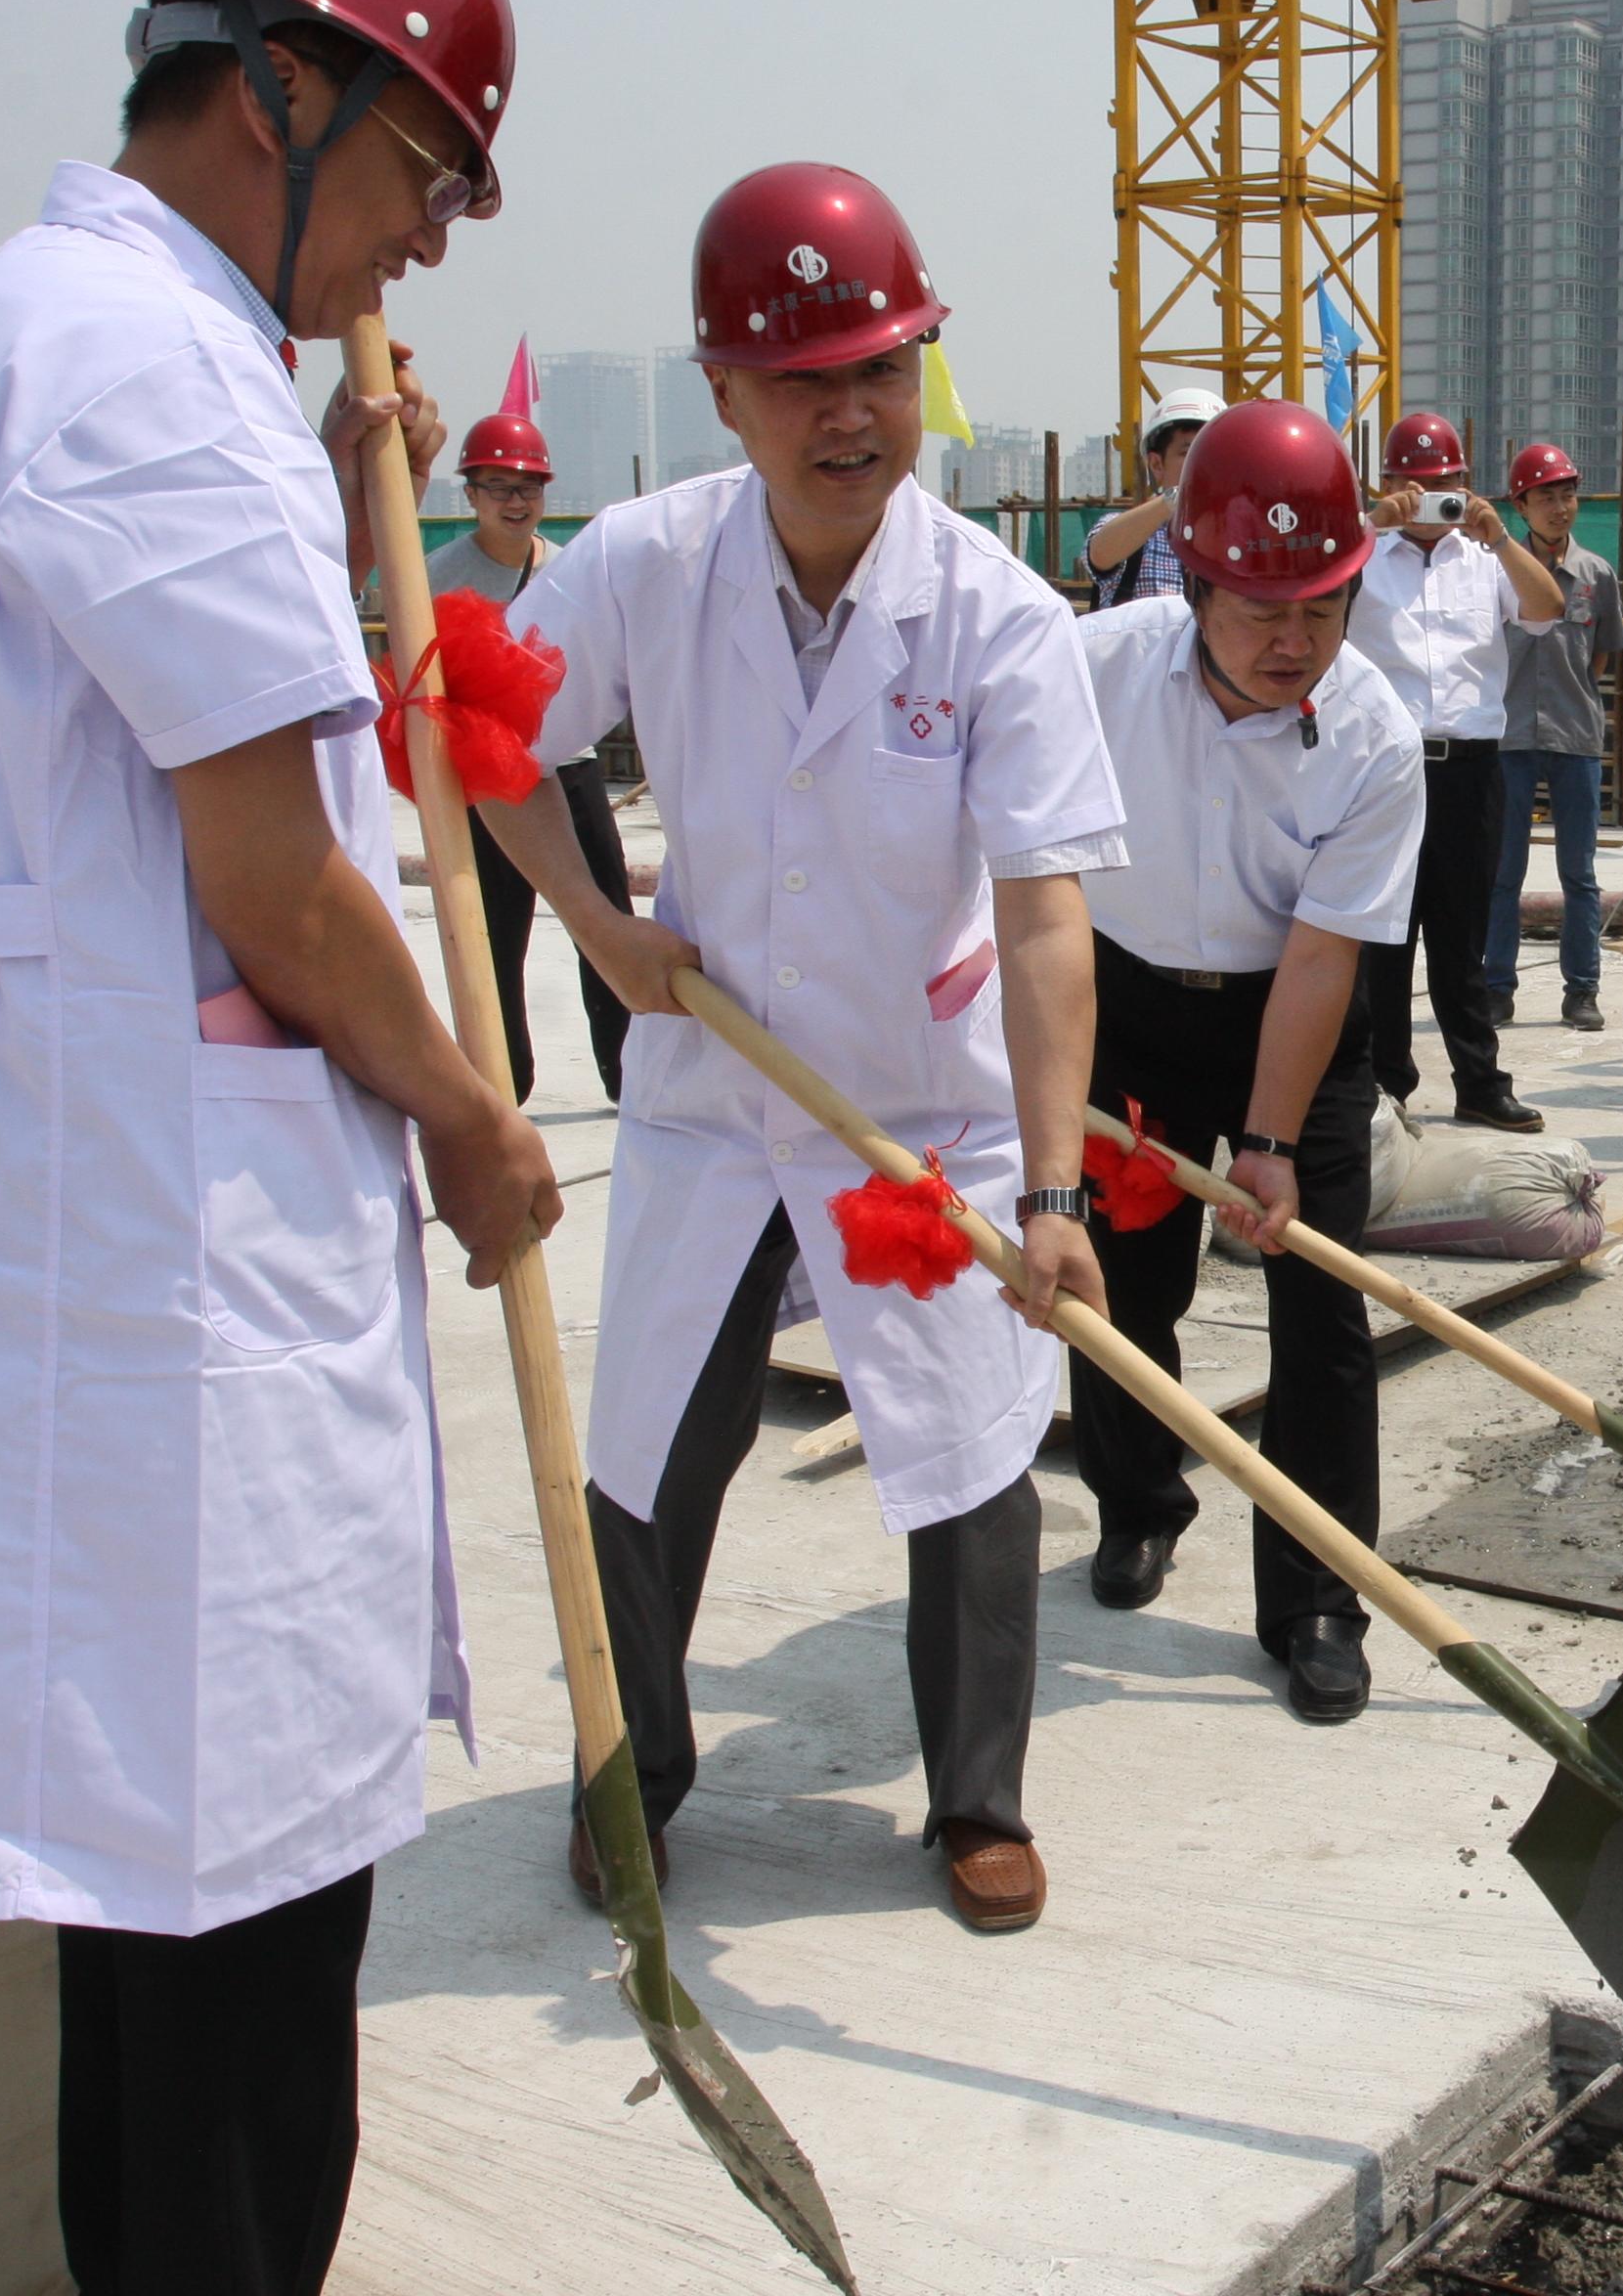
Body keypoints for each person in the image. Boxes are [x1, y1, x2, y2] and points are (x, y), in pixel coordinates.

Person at [0, 0, 550, 2293]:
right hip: (161, 1304)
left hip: (110, 1246)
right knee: (235, 2037)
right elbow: (273, 872)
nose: (425, 248)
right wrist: (474, 1116)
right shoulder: (145, 369)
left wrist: (356, 472)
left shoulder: (42, 335)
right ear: (279, 96)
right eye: (420, 178)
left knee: (162, 2019)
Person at [477, 164, 1122, 1938]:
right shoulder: (641, 563)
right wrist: (600, 928)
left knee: (970, 1450)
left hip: (912, 1112)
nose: (853, 415)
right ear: (726, 394)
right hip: (709, 1094)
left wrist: (1057, 1186)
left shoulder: (993, 613)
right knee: (646, 1453)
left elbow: (1047, 917)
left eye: (885, 371)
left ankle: (976, 1800)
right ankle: (637, 1773)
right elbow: (482, 738)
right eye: (806, 378)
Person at [1067, 400, 1424, 1722]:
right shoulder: (1092, 667)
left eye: (1323, 612)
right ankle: (1137, 1504)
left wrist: (1269, 1145)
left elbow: (1327, 958)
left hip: (1300, 1015)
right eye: (1263, 612)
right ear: (1194, 583)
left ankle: (1320, 1598)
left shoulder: (1376, 732)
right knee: (1119, 1285)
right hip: (1127, 1004)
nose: (1296, 645)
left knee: (1321, 1312)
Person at [411, 403, 635, 1103]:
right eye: (499, 487)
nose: (516, 501)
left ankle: (629, 1078)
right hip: (487, 786)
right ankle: (505, 1084)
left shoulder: (569, 572)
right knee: (497, 937)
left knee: (608, 924)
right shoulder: (436, 578)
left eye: (529, 487)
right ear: (470, 494)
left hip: (570, 770)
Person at [1346, 410, 1562, 1130]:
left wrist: (1500, 538)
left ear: (1467, 485)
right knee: (1384, 937)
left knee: (1460, 935)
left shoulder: (1486, 559)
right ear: (1390, 484)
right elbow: (1311, 584)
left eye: (1447, 484)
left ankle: (1479, 1080)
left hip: (1471, 771)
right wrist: (1373, 524)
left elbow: (1547, 608)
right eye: (1419, 483)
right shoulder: (1364, 556)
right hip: (1387, 768)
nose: (1435, 498)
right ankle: (1386, 1084)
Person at [1481, 439, 1623, 1031]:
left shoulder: (1595, 574)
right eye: (1546, 498)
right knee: (1502, 870)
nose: (1559, 507)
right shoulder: (1495, 571)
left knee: (1579, 873)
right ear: (1520, 505)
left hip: (1575, 736)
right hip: (1507, 735)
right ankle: (1496, 986)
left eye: (1567, 496)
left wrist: (1573, 698)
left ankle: (1582, 990)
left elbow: (1602, 658)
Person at [1079, 383, 1219, 608]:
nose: (1202, 462)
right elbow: (1100, 553)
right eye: (1188, 452)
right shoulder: (1137, 536)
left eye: (1213, 452)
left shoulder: (1236, 537)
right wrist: (1177, 499)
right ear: (1156, 464)